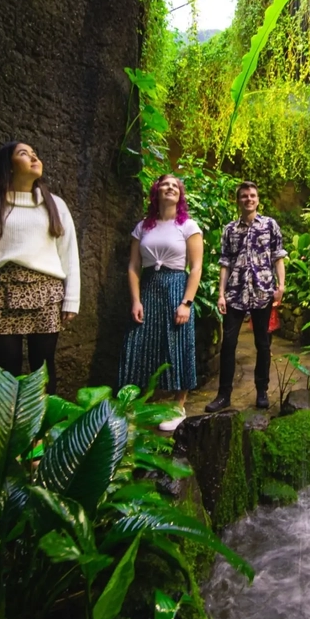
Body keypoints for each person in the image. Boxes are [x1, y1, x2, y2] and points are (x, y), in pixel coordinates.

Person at [0, 142, 80, 395]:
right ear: (8, 166)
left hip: (46, 294)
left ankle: (44, 429)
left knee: (43, 367)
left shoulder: (55, 204)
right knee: (5, 369)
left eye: (35, 153)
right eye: (24, 154)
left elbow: (68, 253)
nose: (34, 157)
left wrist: (71, 299)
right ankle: (7, 430)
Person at [119, 174, 203, 431]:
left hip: (177, 287)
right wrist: (136, 300)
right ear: (156, 191)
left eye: (175, 186)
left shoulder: (188, 226)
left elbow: (197, 267)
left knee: (178, 343)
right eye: (165, 184)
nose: (170, 188)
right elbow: (133, 266)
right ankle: (139, 403)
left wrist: (186, 303)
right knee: (139, 343)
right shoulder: (143, 226)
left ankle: (179, 404)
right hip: (148, 288)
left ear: (180, 195)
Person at [205, 181, 287, 413]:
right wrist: (221, 294)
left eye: (252, 195)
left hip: (263, 292)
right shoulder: (230, 230)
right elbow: (225, 262)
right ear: (238, 201)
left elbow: (278, 257)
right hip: (235, 293)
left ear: (258, 200)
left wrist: (281, 285)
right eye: (244, 196)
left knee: (263, 343)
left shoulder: (270, 225)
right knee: (228, 344)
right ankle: (224, 394)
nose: (248, 199)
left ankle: (262, 391)